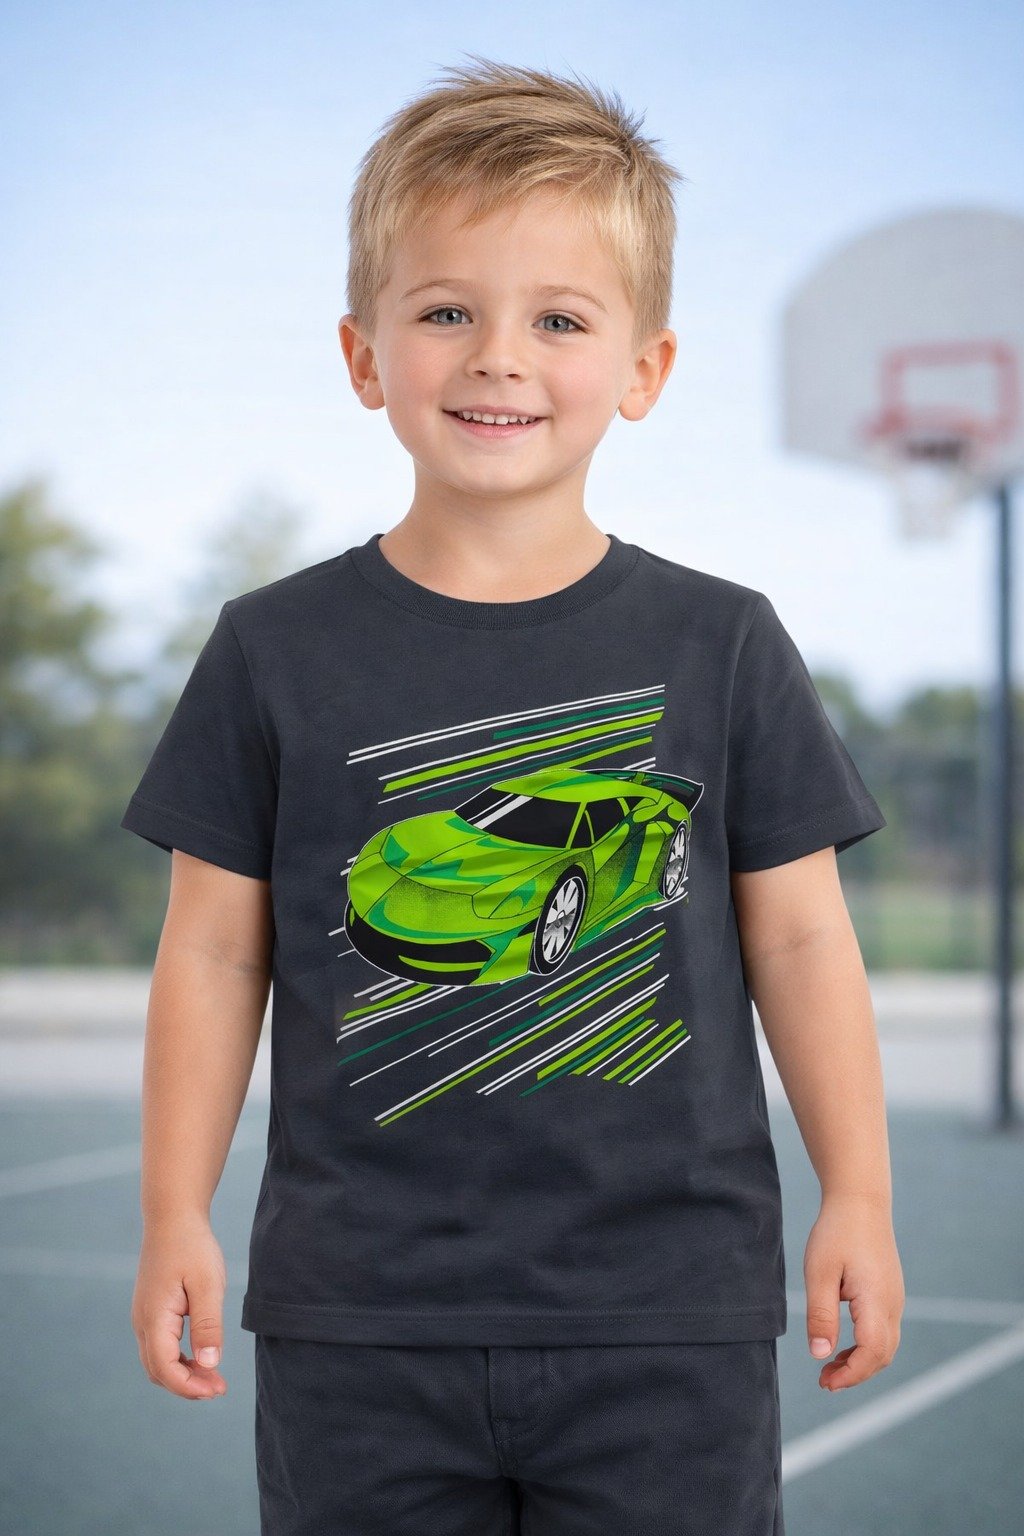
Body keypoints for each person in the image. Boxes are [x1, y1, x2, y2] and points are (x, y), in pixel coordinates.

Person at [123, 54, 905, 1536]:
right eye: (445, 313)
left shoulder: (721, 642)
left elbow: (802, 943)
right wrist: (174, 1214)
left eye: (557, 318)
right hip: (358, 1323)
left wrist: (854, 1193)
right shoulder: (272, 649)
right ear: (365, 356)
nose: (498, 357)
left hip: (666, 1319)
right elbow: (216, 951)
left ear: (643, 369)